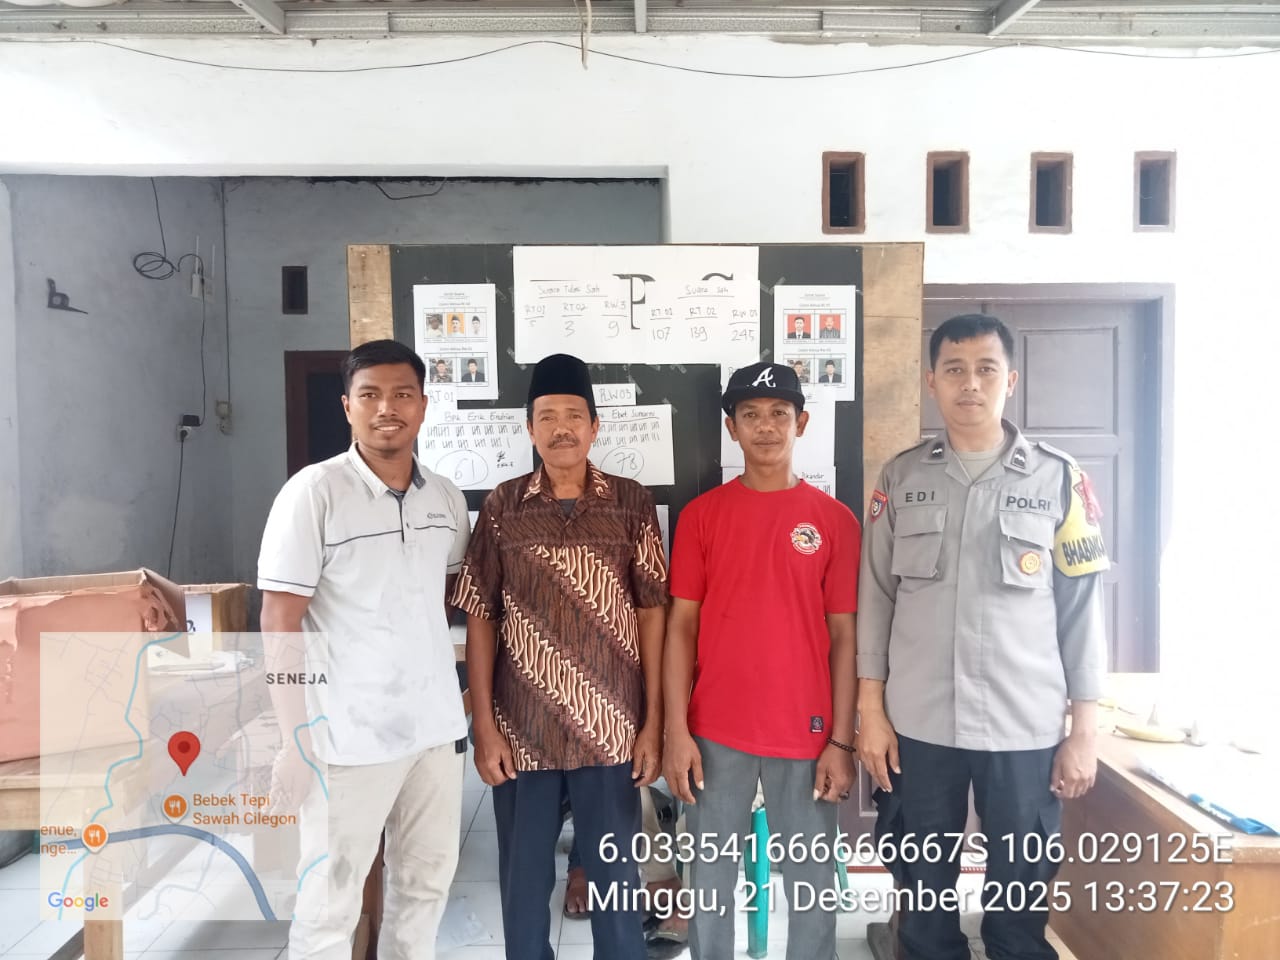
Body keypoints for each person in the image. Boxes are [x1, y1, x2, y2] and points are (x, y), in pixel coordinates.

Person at [856, 313, 1108, 960]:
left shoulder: (1060, 479)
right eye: (955, 370)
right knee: (922, 889)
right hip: (920, 722)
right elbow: (875, 598)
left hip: (1022, 724)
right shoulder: (901, 478)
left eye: (986, 369)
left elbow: (1083, 611)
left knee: (1020, 892)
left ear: (1010, 380)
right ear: (932, 382)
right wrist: (870, 712)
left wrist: (1085, 730)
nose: (970, 383)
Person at [258, 338, 471, 960]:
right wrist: (294, 740)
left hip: (433, 734)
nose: (387, 408)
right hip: (344, 739)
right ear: (347, 406)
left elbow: (445, 598)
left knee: (424, 888)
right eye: (370, 394)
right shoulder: (314, 493)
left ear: (424, 405)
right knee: (329, 904)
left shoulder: (445, 498)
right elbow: (279, 620)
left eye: (402, 394)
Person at [452, 353, 668, 960]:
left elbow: (653, 612)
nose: (561, 428)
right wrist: (484, 726)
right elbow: (481, 613)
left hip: (611, 726)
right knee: (524, 885)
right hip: (523, 728)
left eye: (574, 415)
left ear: (595, 426)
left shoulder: (630, 503)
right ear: (529, 428)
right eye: (546, 417)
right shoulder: (502, 506)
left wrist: (652, 722)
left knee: (616, 882)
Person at [664, 361, 861, 960]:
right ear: (732, 427)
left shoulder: (835, 522)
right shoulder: (701, 517)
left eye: (780, 413)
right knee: (711, 884)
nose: (766, 426)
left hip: (807, 734)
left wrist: (841, 740)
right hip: (714, 730)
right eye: (750, 414)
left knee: (811, 887)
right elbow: (680, 627)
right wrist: (676, 731)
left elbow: (845, 636)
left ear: (802, 422)